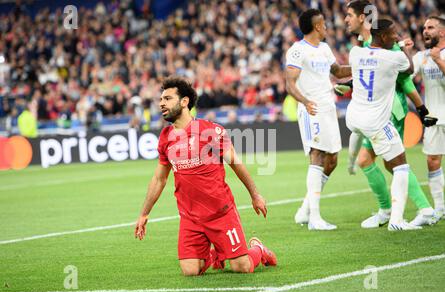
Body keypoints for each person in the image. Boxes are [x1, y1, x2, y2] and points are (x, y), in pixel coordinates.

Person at [134, 77, 277, 276]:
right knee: (191, 271)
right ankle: (218, 252)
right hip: (190, 218)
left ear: (184, 102)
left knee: (242, 267)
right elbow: (159, 179)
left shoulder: (210, 131)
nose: (161, 103)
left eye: (167, 98)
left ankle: (258, 250)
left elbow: (235, 163)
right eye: (161, 99)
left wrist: (255, 195)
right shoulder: (165, 137)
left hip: (221, 213)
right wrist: (144, 213)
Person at [342, 0, 439, 228]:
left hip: (389, 110)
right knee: (373, 161)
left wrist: (421, 107)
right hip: (371, 112)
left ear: (362, 17)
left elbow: (405, 78)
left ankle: (411, 210)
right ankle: (393, 210)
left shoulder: (386, 42)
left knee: (391, 162)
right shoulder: (363, 44)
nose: (345, 19)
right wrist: (349, 83)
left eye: (349, 15)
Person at [285, 9, 352, 230]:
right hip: (311, 108)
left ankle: (305, 210)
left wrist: (365, 66)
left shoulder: (324, 49)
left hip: (328, 108)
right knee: (317, 154)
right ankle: (315, 218)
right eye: (323, 24)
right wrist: (305, 102)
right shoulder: (297, 50)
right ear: (317, 27)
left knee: (332, 160)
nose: (326, 27)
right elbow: (290, 83)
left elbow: (339, 71)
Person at [411, 16, 445, 220]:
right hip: (434, 118)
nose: (425, 31)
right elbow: (406, 72)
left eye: (430, 27)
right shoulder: (421, 56)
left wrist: (438, 60)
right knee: (432, 162)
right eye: (424, 28)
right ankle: (440, 208)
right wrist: (402, 52)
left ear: (442, 32)